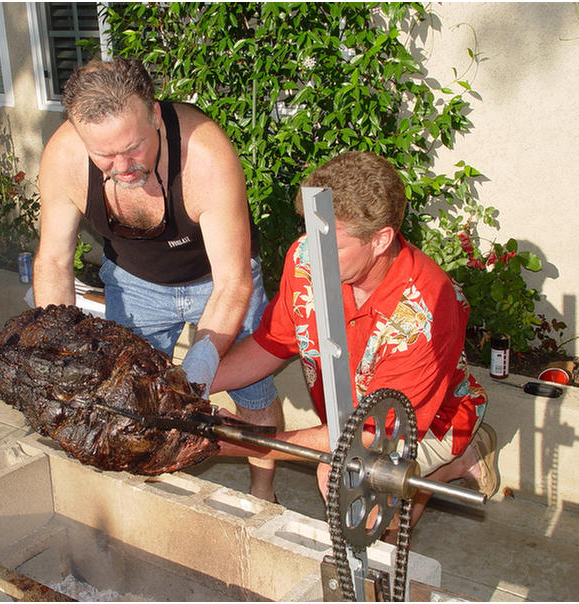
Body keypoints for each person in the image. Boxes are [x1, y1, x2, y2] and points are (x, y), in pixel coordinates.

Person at [34, 56, 282, 498]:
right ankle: (146, 489)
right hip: (135, 282)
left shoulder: (204, 152)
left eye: (134, 148)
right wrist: (62, 348)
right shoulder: (65, 158)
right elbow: (53, 262)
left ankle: (264, 488)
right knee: (127, 399)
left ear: (153, 114)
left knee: (254, 394)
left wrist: (203, 364)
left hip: (217, 280)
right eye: (105, 155)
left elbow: (234, 282)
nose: (123, 165)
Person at [211, 151, 498, 530]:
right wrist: (193, 380)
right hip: (356, 418)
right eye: (310, 235)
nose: (310, 253)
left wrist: (258, 442)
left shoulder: (423, 313)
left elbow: (369, 433)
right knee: (340, 473)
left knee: (357, 500)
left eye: (330, 244)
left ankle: (448, 464)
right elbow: (272, 344)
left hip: (429, 421)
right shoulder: (306, 258)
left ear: (380, 240)